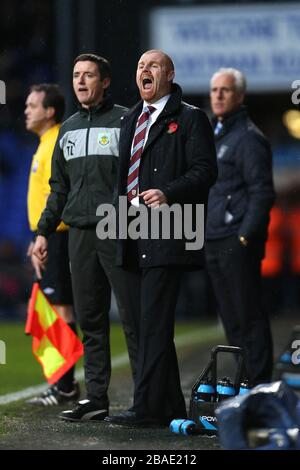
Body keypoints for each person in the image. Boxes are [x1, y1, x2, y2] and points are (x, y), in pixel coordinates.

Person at [106, 49, 217, 426]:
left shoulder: (190, 118)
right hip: (131, 229)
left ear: (169, 74)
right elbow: (122, 178)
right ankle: (168, 405)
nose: (144, 71)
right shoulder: (130, 120)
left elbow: (205, 171)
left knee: (154, 321)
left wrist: (168, 192)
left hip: (169, 228)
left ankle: (146, 407)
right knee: (143, 323)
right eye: (140, 66)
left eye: (153, 65)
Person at [32, 54, 138, 421]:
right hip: (79, 234)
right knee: (91, 319)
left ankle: (145, 399)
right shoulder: (69, 128)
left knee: (132, 316)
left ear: (105, 81)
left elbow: (138, 179)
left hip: (119, 229)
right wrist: (44, 232)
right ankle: (96, 398)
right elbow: (58, 189)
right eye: (76, 75)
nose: (80, 81)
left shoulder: (127, 120)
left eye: (88, 75)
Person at [205, 68, 275, 385]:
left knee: (248, 316)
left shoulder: (248, 137)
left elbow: (262, 191)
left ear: (240, 96)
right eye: (214, 90)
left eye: (226, 90)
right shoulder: (216, 133)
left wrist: (246, 235)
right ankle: (245, 379)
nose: (218, 95)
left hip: (236, 240)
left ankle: (259, 383)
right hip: (215, 238)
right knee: (232, 319)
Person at [25, 83, 80, 406]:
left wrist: (46, 236)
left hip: (59, 236)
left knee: (61, 308)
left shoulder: (56, 141)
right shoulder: (45, 142)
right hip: (48, 236)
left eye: (33, 105)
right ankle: (61, 384)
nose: (26, 110)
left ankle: (66, 387)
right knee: (54, 309)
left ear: (50, 111)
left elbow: (61, 194)